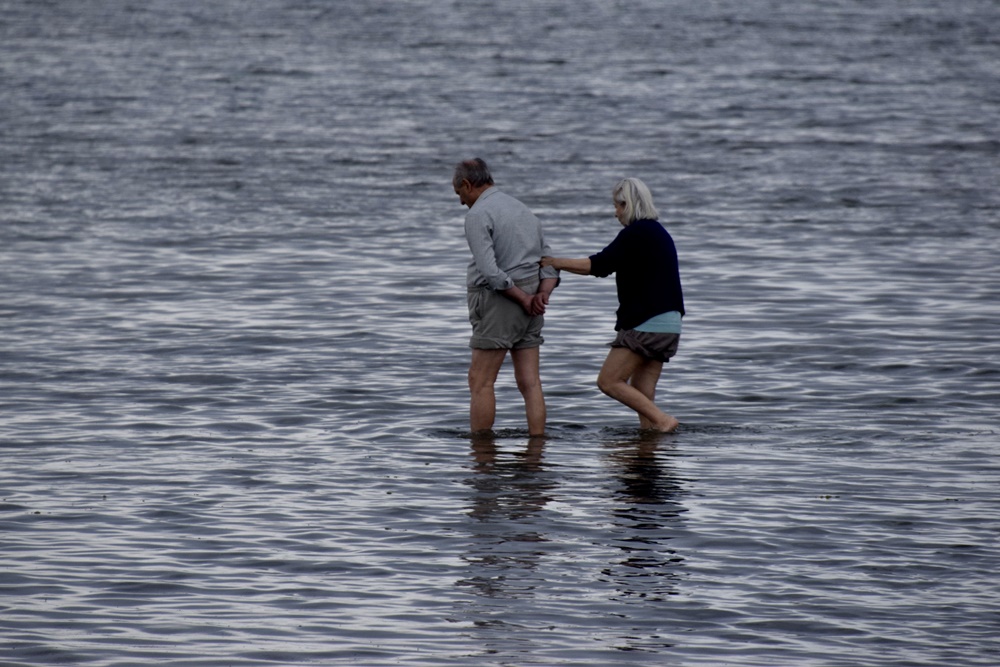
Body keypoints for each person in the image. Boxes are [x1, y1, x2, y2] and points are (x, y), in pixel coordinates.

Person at [541, 177, 684, 432]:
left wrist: (554, 262)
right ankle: (648, 450)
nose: (615, 212)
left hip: (647, 323)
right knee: (642, 393)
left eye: (617, 206)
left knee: (608, 381)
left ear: (628, 204)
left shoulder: (637, 233)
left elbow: (599, 265)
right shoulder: (658, 232)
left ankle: (663, 421)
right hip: (669, 324)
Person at [454, 158, 560, 437]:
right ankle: (537, 448)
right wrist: (541, 295)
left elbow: (491, 273)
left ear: (467, 184)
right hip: (533, 296)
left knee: (481, 381)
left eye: (459, 194)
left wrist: (523, 300)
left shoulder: (478, 214)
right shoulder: (522, 210)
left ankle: (482, 455)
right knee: (531, 382)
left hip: (501, 302)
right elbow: (548, 262)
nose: (461, 202)